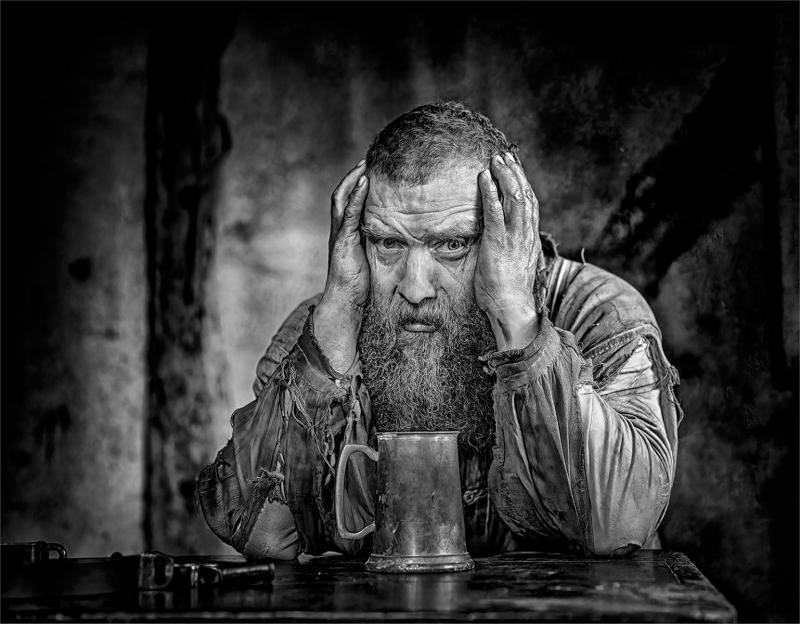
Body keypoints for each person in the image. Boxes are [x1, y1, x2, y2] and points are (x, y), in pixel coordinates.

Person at [196, 101, 682, 560]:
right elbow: (261, 531)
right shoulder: (327, 326)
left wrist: (516, 319)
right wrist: (335, 322)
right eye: (388, 243)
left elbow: (618, 526)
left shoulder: (598, 313)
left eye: (452, 245)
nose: (414, 287)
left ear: (512, 233)